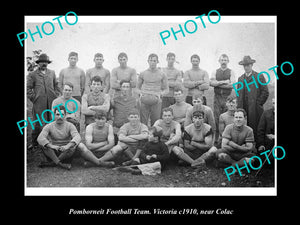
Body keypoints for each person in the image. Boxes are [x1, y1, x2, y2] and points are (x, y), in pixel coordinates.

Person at [38, 106, 114, 169]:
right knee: (43, 144)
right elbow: (40, 138)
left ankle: (53, 163)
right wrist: (52, 146)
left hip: (66, 152)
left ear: (65, 115)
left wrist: (67, 146)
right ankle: (59, 164)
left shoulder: (70, 125)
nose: (60, 117)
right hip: (54, 151)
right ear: (54, 115)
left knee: (80, 145)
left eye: (62, 114)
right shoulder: (49, 126)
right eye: (57, 114)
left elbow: (77, 137)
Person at [27, 53, 61, 149]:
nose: (44, 64)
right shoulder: (33, 74)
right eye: (42, 62)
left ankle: (49, 142)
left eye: (45, 62)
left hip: (51, 102)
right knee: (37, 122)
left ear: (47, 63)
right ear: (38, 63)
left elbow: (56, 85)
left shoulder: (52, 73)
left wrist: (57, 95)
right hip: (39, 103)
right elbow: (28, 88)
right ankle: (34, 143)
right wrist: (34, 98)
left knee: (51, 121)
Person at [236, 56, 269, 140]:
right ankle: (245, 147)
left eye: (248, 65)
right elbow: (238, 94)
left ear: (252, 65)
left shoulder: (259, 76)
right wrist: (239, 106)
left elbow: (265, 92)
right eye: (245, 66)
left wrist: (258, 103)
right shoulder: (240, 79)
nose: (246, 67)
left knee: (256, 128)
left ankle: (258, 147)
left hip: (255, 108)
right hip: (243, 107)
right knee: (243, 127)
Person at [137, 53, 169, 126]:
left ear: (157, 62)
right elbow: (137, 88)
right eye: (151, 60)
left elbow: (167, 89)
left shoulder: (162, 74)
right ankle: (144, 136)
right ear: (148, 61)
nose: (152, 62)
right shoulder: (143, 73)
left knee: (156, 121)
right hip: (145, 99)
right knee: (143, 121)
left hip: (156, 99)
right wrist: (141, 94)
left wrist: (160, 94)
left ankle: (154, 136)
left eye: (154, 61)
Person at [210, 54, 236, 140]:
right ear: (219, 61)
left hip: (227, 97)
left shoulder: (231, 71)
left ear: (228, 61)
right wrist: (225, 82)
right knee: (217, 117)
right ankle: (217, 138)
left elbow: (232, 85)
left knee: (227, 117)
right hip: (217, 97)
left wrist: (218, 83)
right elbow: (211, 83)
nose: (223, 62)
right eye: (222, 60)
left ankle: (227, 137)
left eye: (225, 60)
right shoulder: (215, 71)